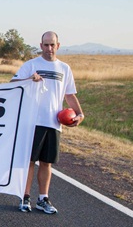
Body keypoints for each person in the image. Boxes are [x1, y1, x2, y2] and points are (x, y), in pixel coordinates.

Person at [11, 31, 84, 214]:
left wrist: (80, 114)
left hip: (53, 123)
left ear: (58, 46)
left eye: (52, 45)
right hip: (32, 122)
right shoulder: (32, 65)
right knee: (29, 161)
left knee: (46, 162)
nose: (49, 48)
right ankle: (24, 197)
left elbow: (69, 95)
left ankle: (43, 199)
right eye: (46, 44)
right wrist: (30, 79)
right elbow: (13, 84)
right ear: (41, 45)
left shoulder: (64, 69)